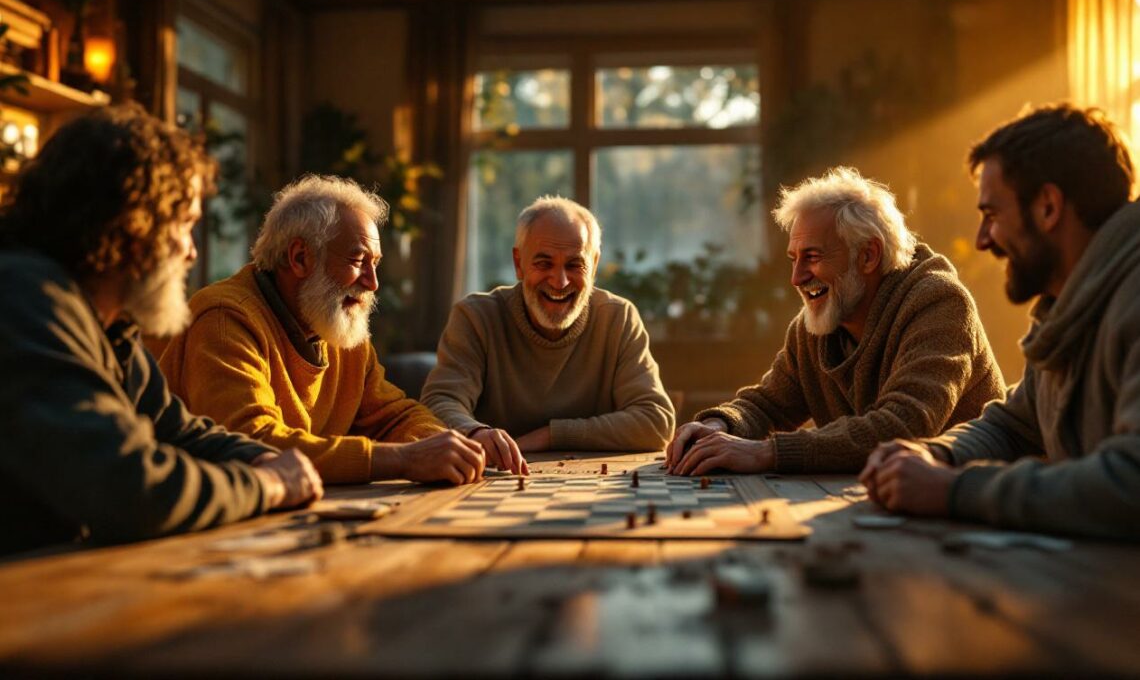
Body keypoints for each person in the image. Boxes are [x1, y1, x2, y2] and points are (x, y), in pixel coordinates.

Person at [0, 104, 322, 555]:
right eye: (186, 224)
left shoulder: (110, 324)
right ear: (134, 224)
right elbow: (126, 486)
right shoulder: (22, 297)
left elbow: (175, 429)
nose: (191, 252)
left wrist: (261, 458)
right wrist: (266, 484)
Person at [860, 104, 1140, 539]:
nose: (982, 240)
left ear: (1048, 207)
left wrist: (954, 490)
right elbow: (1013, 426)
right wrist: (932, 455)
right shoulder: (1068, 311)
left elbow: (1130, 482)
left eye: (992, 215)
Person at [667, 167, 1005, 476]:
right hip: (883, 502)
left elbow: (905, 425)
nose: (796, 278)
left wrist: (768, 453)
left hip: (974, 512)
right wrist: (718, 426)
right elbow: (768, 403)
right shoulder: (814, 325)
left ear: (868, 255)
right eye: (793, 259)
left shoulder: (939, 302)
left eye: (812, 257)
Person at [159, 175, 485, 486]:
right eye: (358, 260)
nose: (372, 283)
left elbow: (394, 417)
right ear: (300, 258)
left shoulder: (339, 326)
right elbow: (252, 443)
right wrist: (404, 459)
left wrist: (450, 447)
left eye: (376, 264)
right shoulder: (225, 317)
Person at [420, 196, 674, 473]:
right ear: (518, 263)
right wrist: (475, 433)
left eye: (575, 265)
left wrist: (550, 435)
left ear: (595, 265)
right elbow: (438, 404)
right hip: (495, 480)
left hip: (594, 485)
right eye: (544, 263)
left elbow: (655, 421)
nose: (560, 281)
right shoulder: (476, 318)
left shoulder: (618, 318)